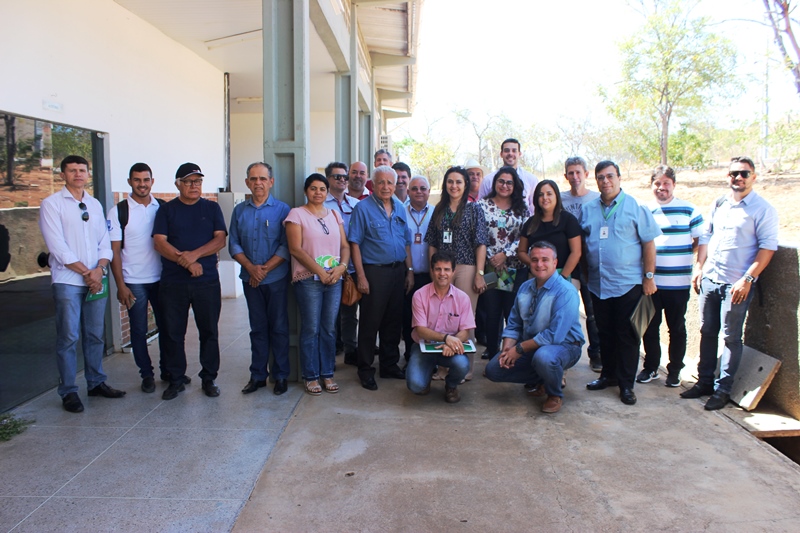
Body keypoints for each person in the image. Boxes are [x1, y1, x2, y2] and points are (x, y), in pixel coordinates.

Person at [683, 156, 779, 410]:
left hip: (736, 285)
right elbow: (706, 235)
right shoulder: (720, 203)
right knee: (706, 331)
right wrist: (700, 267)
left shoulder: (762, 209)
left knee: (731, 337)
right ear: (728, 176)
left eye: (744, 174)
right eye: (734, 173)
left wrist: (748, 279)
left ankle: (722, 389)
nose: (738, 178)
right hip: (711, 279)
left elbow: (767, 248)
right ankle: (704, 381)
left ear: (754, 177)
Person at [39, 155, 124, 413]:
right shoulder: (52, 204)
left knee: (95, 334)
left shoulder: (95, 204)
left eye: (82, 170)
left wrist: (98, 269)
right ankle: (68, 391)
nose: (78, 174)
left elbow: (105, 241)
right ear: (63, 174)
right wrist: (88, 273)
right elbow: (58, 247)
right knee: (68, 336)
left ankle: (96, 382)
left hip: (96, 279)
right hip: (68, 281)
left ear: (88, 174)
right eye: (72, 170)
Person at [581, 160, 661, 406]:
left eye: (610, 176)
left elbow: (649, 244)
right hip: (598, 284)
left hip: (628, 285)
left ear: (619, 178)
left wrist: (648, 278)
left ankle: (626, 385)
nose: (605, 181)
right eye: (601, 177)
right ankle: (608, 375)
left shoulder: (636, 207)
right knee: (603, 332)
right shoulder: (588, 209)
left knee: (627, 335)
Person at [153, 163, 227, 401]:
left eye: (197, 181)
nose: (194, 186)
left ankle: (209, 378)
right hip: (173, 283)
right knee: (174, 333)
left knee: (209, 331)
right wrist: (187, 263)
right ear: (178, 184)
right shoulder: (166, 210)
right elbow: (160, 243)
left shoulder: (212, 208)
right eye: (188, 181)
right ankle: (176, 380)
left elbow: (220, 240)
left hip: (206, 282)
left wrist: (194, 256)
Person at [485, 241, 585, 413]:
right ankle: (544, 378)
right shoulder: (525, 287)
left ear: (555, 262)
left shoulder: (566, 292)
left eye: (545, 259)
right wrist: (508, 347)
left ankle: (554, 394)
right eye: (535, 260)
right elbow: (514, 322)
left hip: (565, 347)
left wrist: (519, 349)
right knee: (494, 370)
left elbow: (553, 336)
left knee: (544, 357)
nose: (539, 264)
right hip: (532, 346)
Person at [637, 165, 704, 388]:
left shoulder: (688, 210)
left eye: (666, 183)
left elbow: (699, 240)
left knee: (676, 328)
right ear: (651, 185)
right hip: (650, 283)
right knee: (648, 326)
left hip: (678, 283)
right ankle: (651, 368)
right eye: (657, 183)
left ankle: (675, 370)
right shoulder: (644, 210)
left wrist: (686, 259)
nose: (661, 187)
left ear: (673, 185)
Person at [348, 165, 414, 391]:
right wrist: (361, 276)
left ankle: (389, 364)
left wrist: (410, 271)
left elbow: (406, 242)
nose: (386, 187)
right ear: (373, 185)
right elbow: (354, 243)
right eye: (381, 183)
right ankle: (365, 369)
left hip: (398, 272)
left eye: (390, 183)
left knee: (393, 321)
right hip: (374, 272)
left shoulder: (400, 208)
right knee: (370, 322)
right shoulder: (362, 209)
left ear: (396, 185)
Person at [229, 162, 291, 396]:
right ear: (247, 183)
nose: (258, 183)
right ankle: (257, 376)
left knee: (279, 327)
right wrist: (250, 268)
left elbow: (287, 245)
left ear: (271, 182)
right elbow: (233, 243)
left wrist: (263, 269)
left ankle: (281, 375)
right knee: (257, 329)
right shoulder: (239, 211)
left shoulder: (283, 210)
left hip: (275, 279)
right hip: (250, 280)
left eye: (262, 179)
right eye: (253, 179)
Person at [285, 173, 350, 396]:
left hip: (334, 279)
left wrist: (341, 267)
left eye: (322, 189)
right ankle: (311, 376)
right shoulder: (296, 214)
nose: (318, 192)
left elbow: (345, 246)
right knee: (311, 328)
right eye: (313, 188)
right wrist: (320, 272)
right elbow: (295, 249)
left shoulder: (334, 214)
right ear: (306, 191)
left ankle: (327, 373)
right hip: (308, 280)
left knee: (329, 329)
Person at [107, 162, 167, 393]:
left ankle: (168, 370)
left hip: (161, 280)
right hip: (134, 282)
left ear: (152, 181)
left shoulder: (161, 207)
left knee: (167, 327)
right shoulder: (119, 211)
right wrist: (120, 285)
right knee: (139, 330)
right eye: (137, 180)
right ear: (130, 182)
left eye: (146, 180)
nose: (142, 184)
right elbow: (114, 252)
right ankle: (147, 375)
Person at [425, 166, 488, 381]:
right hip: (442, 269)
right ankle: (443, 366)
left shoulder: (474, 209)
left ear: (465, 185)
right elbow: (432, 242)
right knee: (441, 317)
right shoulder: (439, 209)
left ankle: (465, 368)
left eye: (459, 182)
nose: (454, 186)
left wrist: (479, 273)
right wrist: (433, 270)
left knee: (463, 319)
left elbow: (481, 243)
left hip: (466, 267)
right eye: (450, 181)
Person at [406, 252, 475, 404]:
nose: (442, 274)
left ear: (453, 272)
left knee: (463, 364)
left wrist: (453, 342)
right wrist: (446, 338)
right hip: (423, 347)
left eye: (446, 269)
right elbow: (420, 330)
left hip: (449, 349)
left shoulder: (462, 298)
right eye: (438, 269)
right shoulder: (419, 295)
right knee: (415, 386)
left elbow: (466, 330)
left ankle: (451, 386)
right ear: (432, 270)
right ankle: (427, 374)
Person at [477, 167, 530, 361]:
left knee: (512, 313)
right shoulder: (482, 206)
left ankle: (512, 355)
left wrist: (505, 255)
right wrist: (494, 258)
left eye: (509, 182)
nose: (504, 185)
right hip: (491, 268)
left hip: (515, 269)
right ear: (494, 183)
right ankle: (492, 353)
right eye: (501, 181)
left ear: (515, 185)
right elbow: (479, 235)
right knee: (491, 313)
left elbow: (526, 236)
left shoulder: (522, 208)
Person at [560, 156, 602, 371]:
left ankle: (596, 353)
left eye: (579, 172)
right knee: (565, 308)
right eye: (570, 173)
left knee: (592, 310)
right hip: (566, 260)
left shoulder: (596, 199)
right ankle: (563, 350)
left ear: (586, 174)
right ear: (565, 175)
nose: (575, 177)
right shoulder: (560, 199)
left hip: (589, 262)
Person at [324, 161, 360, 366]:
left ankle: (350, 349)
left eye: (345, 177)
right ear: (328, 179)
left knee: (349, 311)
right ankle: (329, 354)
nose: (342, 180)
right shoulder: (320, 204)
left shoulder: (355, 205)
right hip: (328, 267)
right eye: (337, 177)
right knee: (329, 314)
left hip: (351, 267)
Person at [518, 179, 582, 283]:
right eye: (541, 195)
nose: (545, 198)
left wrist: (562, 278)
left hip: (565, 277)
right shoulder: (530, 223)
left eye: (549, 194)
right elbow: (521, 252)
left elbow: (576, 252)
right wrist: (538, 265)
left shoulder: (568, 220)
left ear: (556, 196)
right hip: (537, 278)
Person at [402, 176, 434, 363]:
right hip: (409, 275)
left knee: (430, 319)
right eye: (414, 188)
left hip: (432, 276)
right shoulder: (401, 212)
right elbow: (403, 243)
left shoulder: (437, 213)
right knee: (409, 318)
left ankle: (430, 358)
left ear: (429, 192)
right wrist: (410, 271)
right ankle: (409, 356)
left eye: (423, 188)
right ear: (408, 191)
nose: (419, 191)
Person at [477, 138, 539, 212]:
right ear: (501, 154)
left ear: (519, 154)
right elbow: (480, 208)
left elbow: (534, 209)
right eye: (506, 150)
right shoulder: (488, 180)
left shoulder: (531, 180)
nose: (510, 153)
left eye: (514, 150)